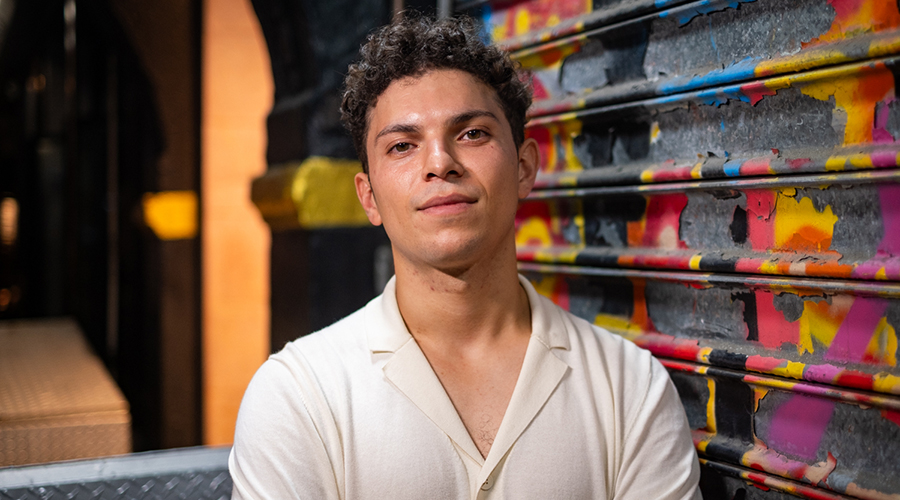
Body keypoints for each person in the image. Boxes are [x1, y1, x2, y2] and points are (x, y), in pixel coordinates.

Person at [229, 14, 701, 500]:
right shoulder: (299, 397)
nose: (440, 163)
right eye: (402, 146)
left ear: (524, 167)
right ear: (369, 197)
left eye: (472, 134)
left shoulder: (629, 389)